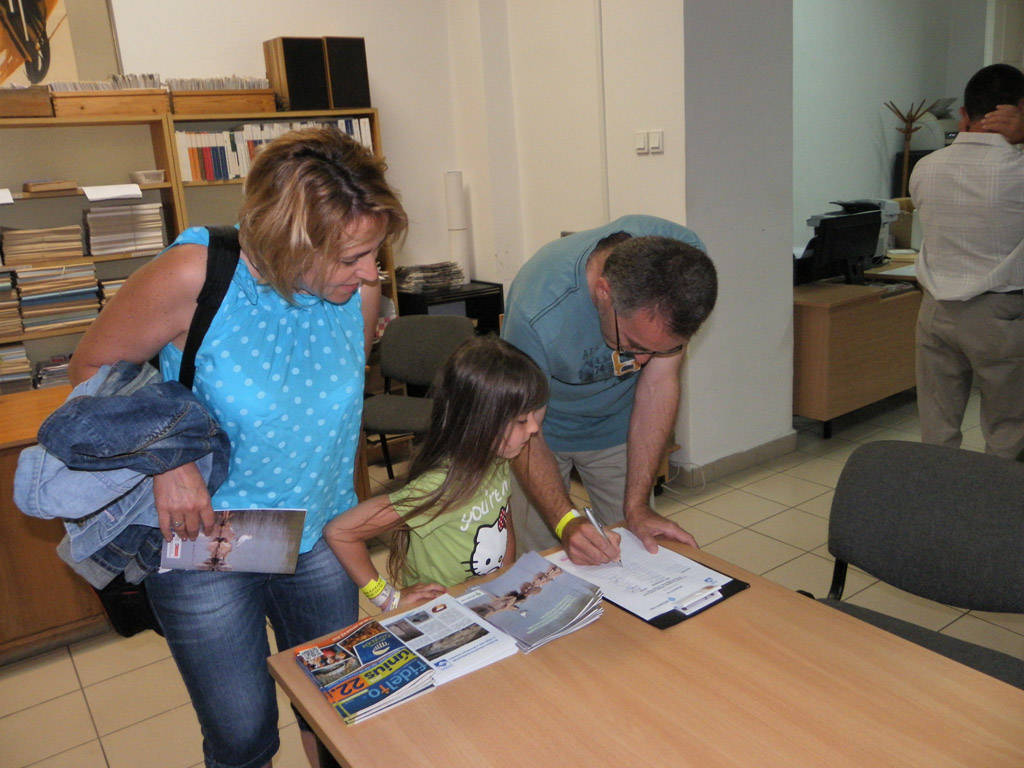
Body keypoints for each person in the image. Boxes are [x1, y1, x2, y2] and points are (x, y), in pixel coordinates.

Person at [67, 126, 407, 768]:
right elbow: (90, 371)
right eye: (351, 258)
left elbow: (322, 413)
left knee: (340, 710)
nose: (371, 275)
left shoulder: (358, 292)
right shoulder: (198, 274)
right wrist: (166, 461)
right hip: (208, 541)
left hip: (320, 531)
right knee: (243, 734)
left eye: (374, 253)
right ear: (289, 242)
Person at [501, 215, 717, 565]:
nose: (643, 361)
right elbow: (520, 425)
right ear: (604, 293)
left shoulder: (685, 266)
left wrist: (638, 506)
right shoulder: (537, 311)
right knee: (545, 561)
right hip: (539, 432)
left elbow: (657, 385)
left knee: (636, 546)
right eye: (633, 343)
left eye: (657, 350)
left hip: (618, 424)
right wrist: (566, 522)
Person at [324, 335, 548, 611]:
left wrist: (505, 572)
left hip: (485, 597)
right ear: (480, 422)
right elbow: (340, 532)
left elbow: (502, 514)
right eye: (522, 420)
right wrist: (388, 598)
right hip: (445, 608)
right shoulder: (440, 486)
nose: (533, 428)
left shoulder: (497, 457)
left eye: (533, 415)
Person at [910, 63, 1024, 459]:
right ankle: (995, 499)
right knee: (1005, 429)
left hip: (935, 310)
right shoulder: (1017, 171)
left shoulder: (925, 168)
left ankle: (939, 495)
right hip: (999, 314)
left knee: (936, 427)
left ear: (963, 114)